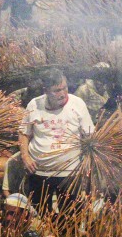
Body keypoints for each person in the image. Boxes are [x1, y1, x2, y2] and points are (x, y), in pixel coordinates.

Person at [18, 68, 94, 214]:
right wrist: (25, 156)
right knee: (40, 215)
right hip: (39, 172)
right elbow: (23, 133)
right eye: (56, 90)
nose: (62, 94)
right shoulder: (34, 105)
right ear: (46, 90)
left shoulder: (77, 104)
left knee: (71, 217)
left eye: (64, 88)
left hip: (69, 174)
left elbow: (89, 136)